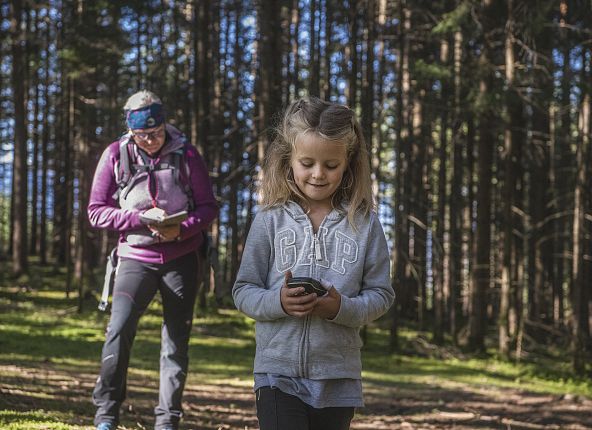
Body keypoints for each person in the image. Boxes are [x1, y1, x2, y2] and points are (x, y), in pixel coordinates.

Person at [232, 96, 395, 430]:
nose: (318, 174)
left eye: (331, 165)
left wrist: (340, 309)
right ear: (288, 158)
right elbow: (243, 290)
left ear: (348, 162)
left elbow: (381, 294)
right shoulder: (269, 220)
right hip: (276, 374)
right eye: (307, 163)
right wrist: (278, 301)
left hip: (338, 376)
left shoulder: (365, 224)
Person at [88, 90, 218, 430]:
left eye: (156, 132)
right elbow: (96, 212)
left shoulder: (187, 153)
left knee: (175, 340)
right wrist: (140, 219)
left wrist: (182, 229)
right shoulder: (115, 154)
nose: (150, 140)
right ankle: (106, 415)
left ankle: (167, 420)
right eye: (143, 135)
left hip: (182, 259)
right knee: (119, 329)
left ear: (165, 124)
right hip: (135, 257)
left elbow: (208, 207)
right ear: (130, 131)